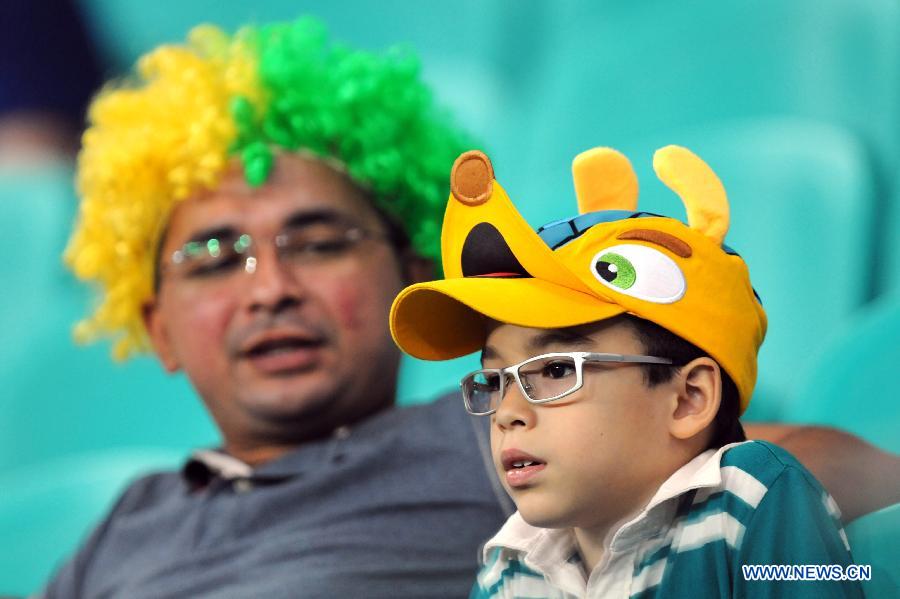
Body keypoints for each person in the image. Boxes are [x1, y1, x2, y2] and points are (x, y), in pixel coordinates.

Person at [44, 17, 896, 599]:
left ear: (405, 269)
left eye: (318, 240)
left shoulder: (497, 434)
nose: (270, 286)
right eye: (215, 257)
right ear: (157, 325)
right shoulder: (126, 520)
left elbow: (771, 465)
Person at [390, 148, 863, 597]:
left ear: (688, 399)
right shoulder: (511, 563)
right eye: (496, 380)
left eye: (555, 369)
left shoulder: (753, 498)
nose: (507, 413)